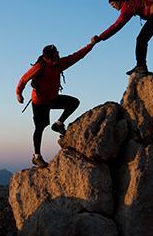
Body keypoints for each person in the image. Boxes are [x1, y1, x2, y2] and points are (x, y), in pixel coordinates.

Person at [16, 37, 97, 168]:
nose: (59, 53)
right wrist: (19, 93)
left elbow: (76, 56)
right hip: (40, 102)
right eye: (56, 52)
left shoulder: (58, 64)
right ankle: (36, 157)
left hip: (52, 99)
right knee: (40, 128)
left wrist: (91, 45)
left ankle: (58, 124)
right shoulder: (40, 66)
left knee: (74, 103)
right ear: (51, 55)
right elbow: (24, 78)